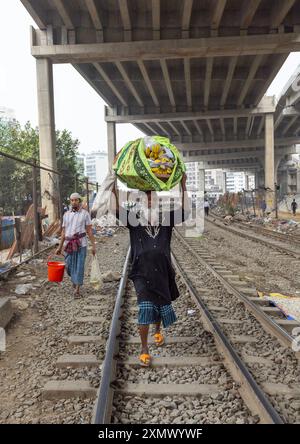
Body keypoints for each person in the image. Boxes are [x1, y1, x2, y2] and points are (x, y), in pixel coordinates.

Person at [113, 173, 190, 367]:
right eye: (145, 197)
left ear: (157, 201)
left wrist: (183, 184)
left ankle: (158, 330)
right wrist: (113, 183)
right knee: (145, 308)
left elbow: (186, 211)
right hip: (141, 272)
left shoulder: (166, 219)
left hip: (163, 271)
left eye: (152, 197)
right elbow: (115, 208)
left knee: (161, 305)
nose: (149, 200)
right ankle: (144, 348)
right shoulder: (134, 221)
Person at [56, 193, 96, 298]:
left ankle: (77, 290)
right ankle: (74, 278)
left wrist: (93, 246)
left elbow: (89, 231)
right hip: (68, 244)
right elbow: (63, 233)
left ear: (79, 201)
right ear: (70, 201)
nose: (74, 202)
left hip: (81, 243)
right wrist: (59, 247)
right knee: (68, 266)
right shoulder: (66, 215)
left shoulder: (85, 214)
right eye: (72, 200)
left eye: (76, 200)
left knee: (79, 266)